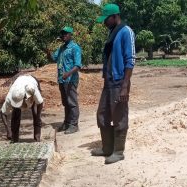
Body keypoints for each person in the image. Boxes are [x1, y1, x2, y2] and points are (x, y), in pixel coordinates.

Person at [92, 3, 136, 164]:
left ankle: (118, 152)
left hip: (119, 82)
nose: (104, 23)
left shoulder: (126, 32)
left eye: (106, 19)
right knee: (102, 115)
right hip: (109, 81)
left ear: (115, 17)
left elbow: (130, 60)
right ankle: (107, 148)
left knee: (119, 116)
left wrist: (125, 86)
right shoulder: (113, 33)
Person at [49, 26, 82, 134]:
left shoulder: (75, 48)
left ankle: (74, 124)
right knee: (66, 102)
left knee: (72, 102)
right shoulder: (62, 48)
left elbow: (77, 65)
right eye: (62, 34)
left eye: (65, 34)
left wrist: (68, 74)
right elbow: (53, 58)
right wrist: (48, 52)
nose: (63, 36)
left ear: (70, 35)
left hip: (70, 80)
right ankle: (67, 122)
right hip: (62, 80)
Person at [0, 75, 44, 143]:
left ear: (24, 97)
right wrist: (8, 130)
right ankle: (14, 139)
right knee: (15, 114)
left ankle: (37, 139)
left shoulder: (31, 88)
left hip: (31, 81)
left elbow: (40, 103)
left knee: (36, 114)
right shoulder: (10, 96)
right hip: (18, 83)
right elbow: (3, 113)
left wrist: (38, 116)